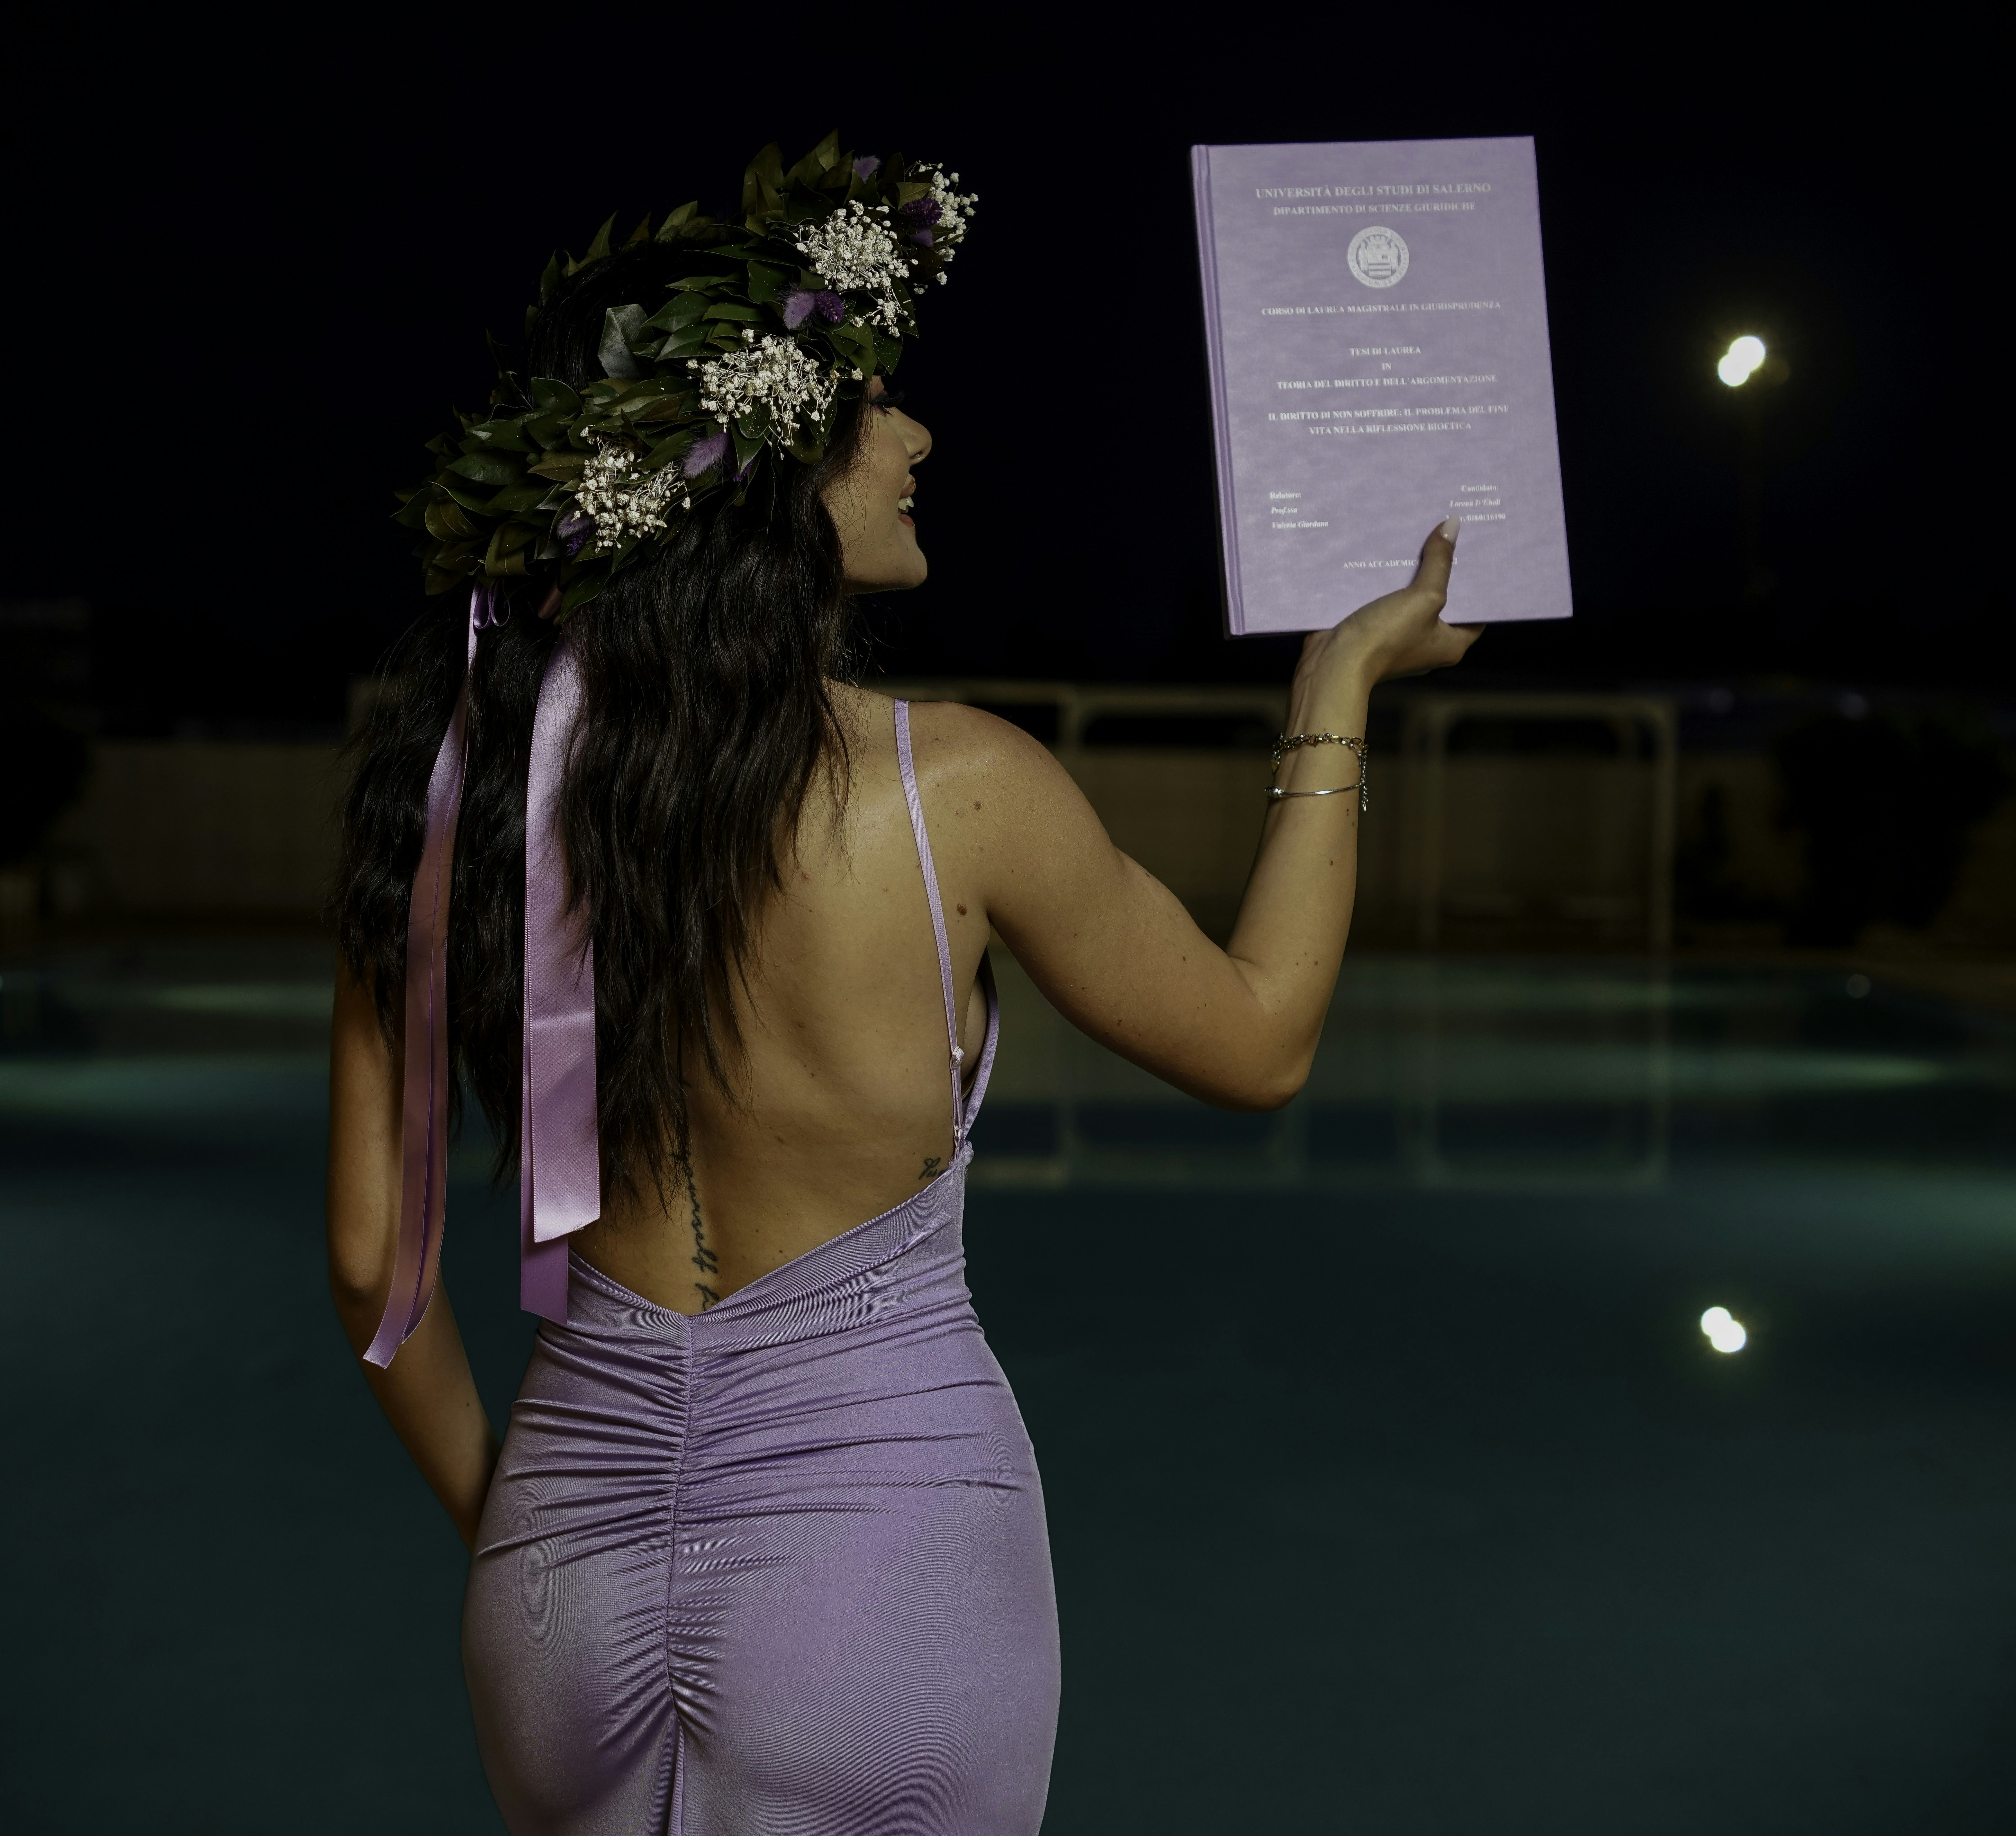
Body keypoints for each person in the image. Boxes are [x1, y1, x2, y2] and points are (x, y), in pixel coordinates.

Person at [325, 138, 1478, 1836]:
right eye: (868, 403)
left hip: (559, 1575)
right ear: (761, 473)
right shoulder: (958, 794)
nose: (916, 435)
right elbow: (1260, 1041)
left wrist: (526, 1521)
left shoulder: (454, 803)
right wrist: (1338, 686)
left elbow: (374, 1262)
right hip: (882, 1563)